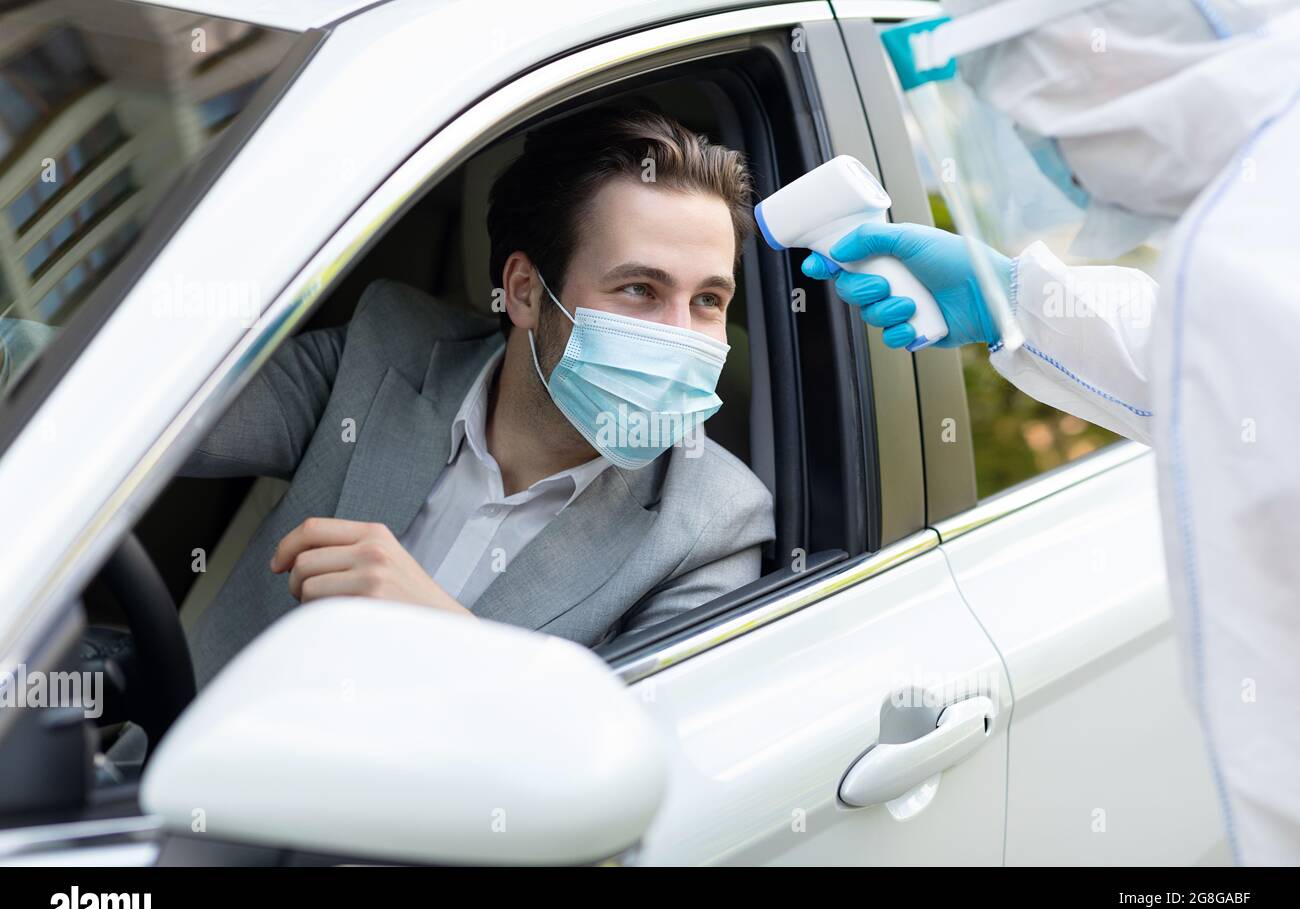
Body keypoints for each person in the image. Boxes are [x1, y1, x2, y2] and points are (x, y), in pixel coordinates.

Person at [805, 0, 1300, 864]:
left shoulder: (1246, 257)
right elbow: (1214, 380)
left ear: (1085, 47)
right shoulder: (1259, 219)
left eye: (1014, 92)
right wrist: (1015, 297)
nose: (1029, 138)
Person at [181, 109, 773, 686]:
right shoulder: (386, 348)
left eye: (707, 302)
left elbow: (645, 758)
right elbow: (159, 422)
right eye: (640, 288)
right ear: (524, 292)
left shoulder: (713, 525)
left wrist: (448, 642)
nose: (677, 336)